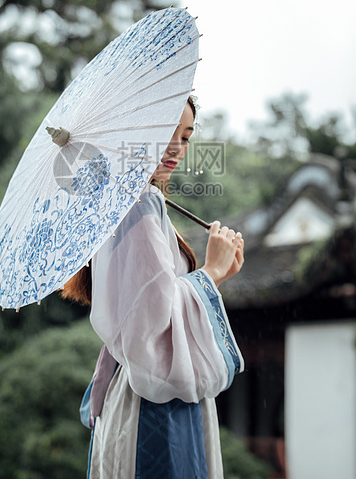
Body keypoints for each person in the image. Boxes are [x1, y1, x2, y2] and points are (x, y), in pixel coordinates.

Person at [62, 96, 245, 479]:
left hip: (143, 392)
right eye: (167, 132)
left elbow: (149, 299)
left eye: (187, 136)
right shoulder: (140, 205)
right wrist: (208, 273)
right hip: (155, 401)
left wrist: (216, 274)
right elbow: (151, 320)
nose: (178, 148)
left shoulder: (129, 204)